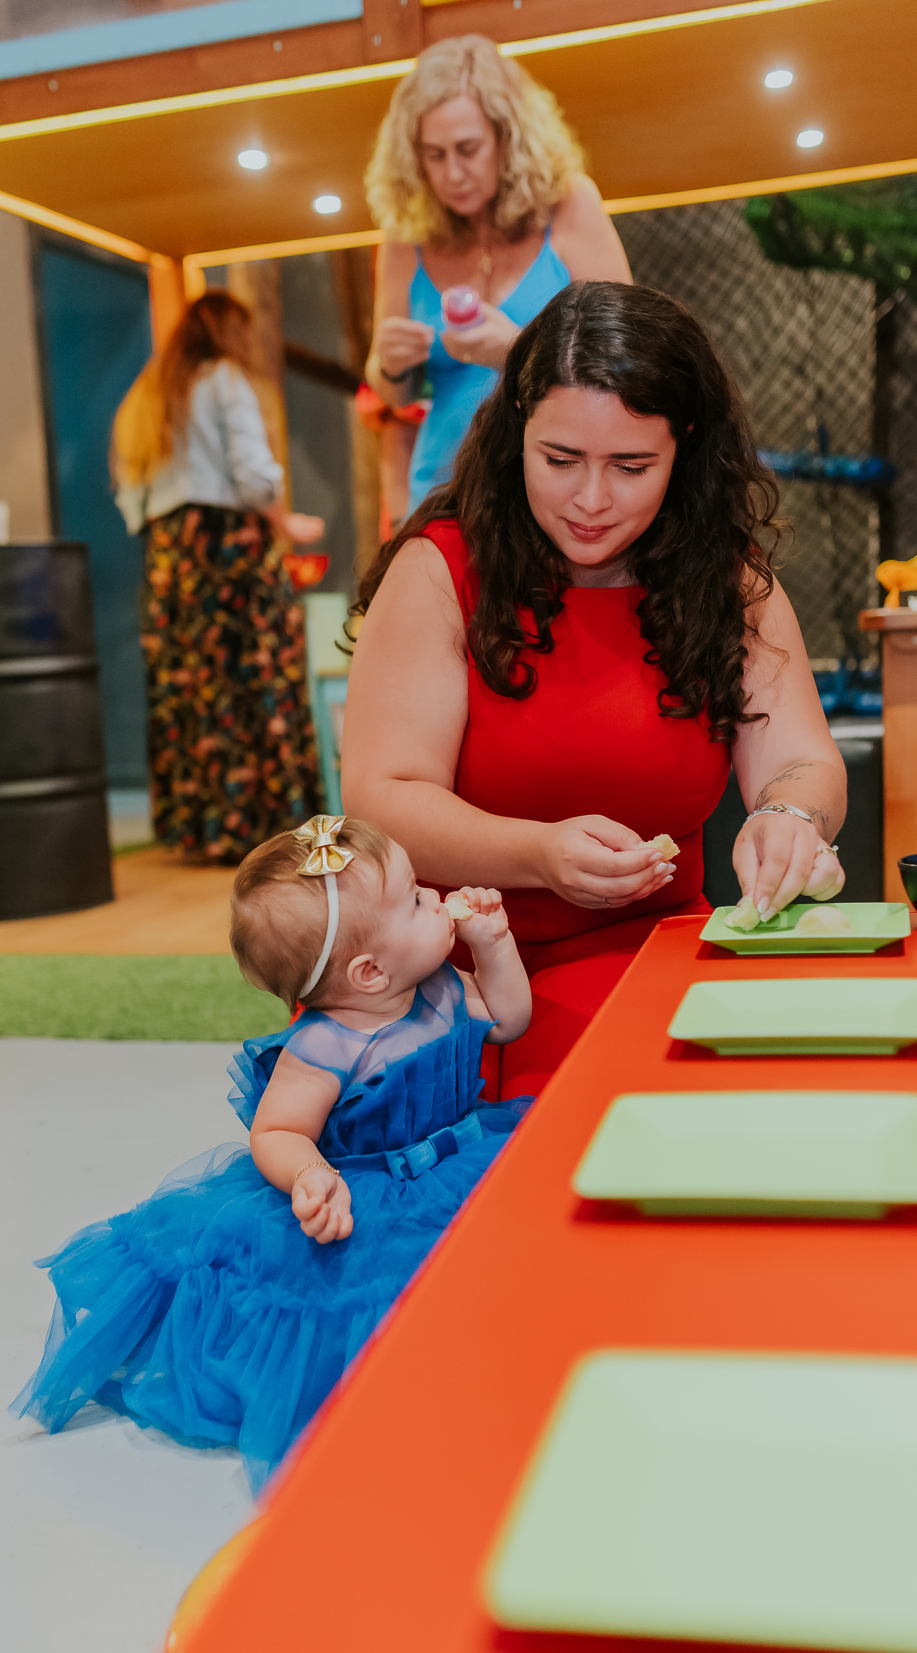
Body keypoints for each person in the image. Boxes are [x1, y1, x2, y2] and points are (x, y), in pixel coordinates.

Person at [343, 282, 847, 1100]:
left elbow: (802, 762)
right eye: (560, 460)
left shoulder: (728, 583)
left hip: (656, 958)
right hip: (453, 981)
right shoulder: (440, 571)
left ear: (685, 448)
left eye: (632, 467)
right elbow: (382, 798)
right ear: (516, 431)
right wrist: (536, 856)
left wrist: (790, 818)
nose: (591, 500)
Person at [12, 815, 532, 1489]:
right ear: (370, 971)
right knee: (369, 1290)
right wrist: (309, 1174)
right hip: (369, 1188)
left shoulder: (439, 984)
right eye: (413, 899)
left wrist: (494, 944)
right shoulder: (325, 1046)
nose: (436, 898)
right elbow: (278, 1131)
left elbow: (508, 1019)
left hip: (469, 1152)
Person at [364, 34, 631, 519]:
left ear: (507, 139)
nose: (453, 174)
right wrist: (392, 365)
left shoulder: (569, 204)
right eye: (434, 155)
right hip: (441, 496)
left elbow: (628, 362)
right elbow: (392, 390)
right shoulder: (405, 237)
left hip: (557, 503)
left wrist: (515, 351)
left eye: (468, 149)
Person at [112, 291, 325, 862]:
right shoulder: (224, 380)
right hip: (229, 549)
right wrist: (284, 521)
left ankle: (201, 829)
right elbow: (253, 476)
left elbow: (130, 492)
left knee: (189, 684)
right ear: (229, 332)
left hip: (170, 555)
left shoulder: (147, 394)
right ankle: (265, 826)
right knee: (255, 675)